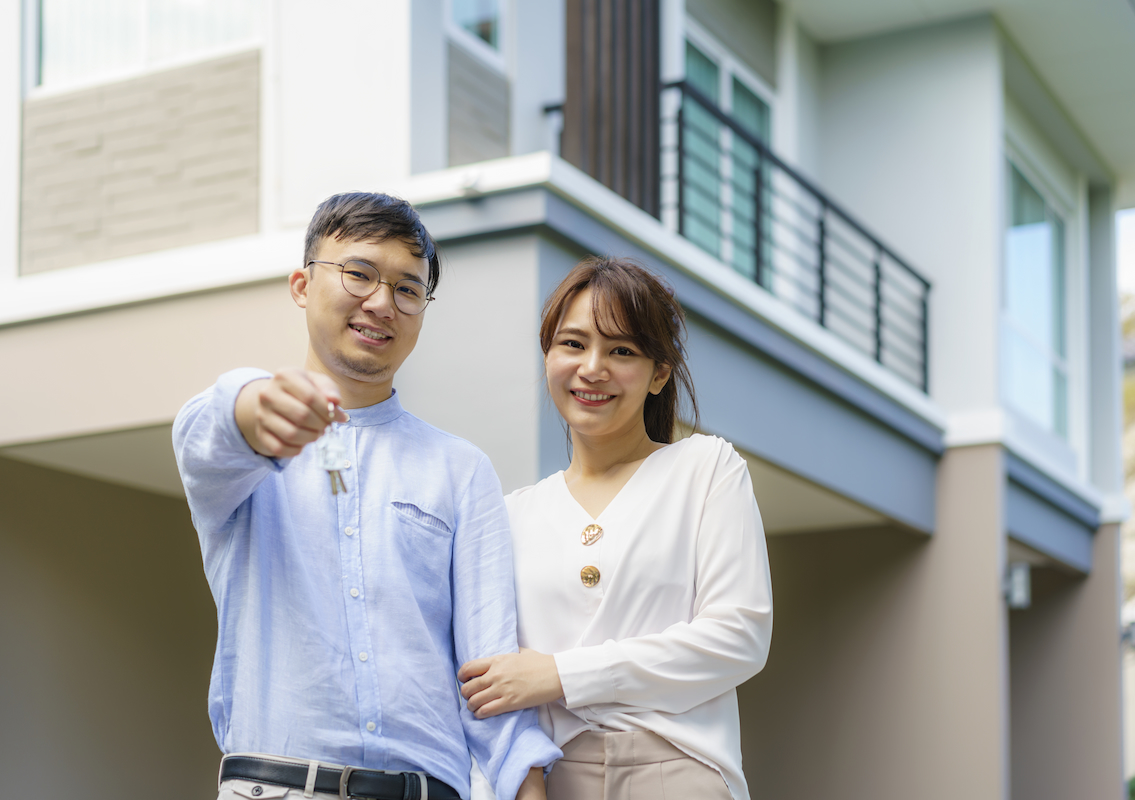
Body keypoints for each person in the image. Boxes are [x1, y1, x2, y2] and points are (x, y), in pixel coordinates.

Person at [173, 192, 560, 800]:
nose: (382, 302)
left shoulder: (461, 470)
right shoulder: (243, 447)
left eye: (408, 289)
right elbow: (208, 430)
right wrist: (259, 405)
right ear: (302, 285)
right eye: (358, 274)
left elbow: (492, 677)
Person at [457, 257, 773, 800]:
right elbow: (486, 685)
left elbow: (738, 636)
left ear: (659, 372)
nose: (593, 368)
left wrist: (562, 676)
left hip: (681, 770)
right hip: (553, 778)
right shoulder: (510, 515)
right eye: (573, 344)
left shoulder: (706, 468)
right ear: (549, 356)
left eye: (621, 350)